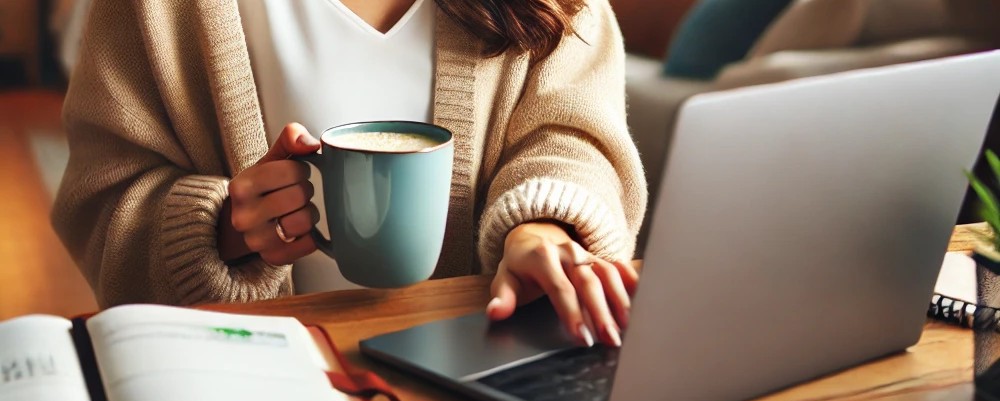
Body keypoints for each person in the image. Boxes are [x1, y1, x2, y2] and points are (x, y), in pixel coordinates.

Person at [51, 0, 647, 347]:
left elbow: (571, 134)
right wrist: (220, 230)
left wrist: (541, 225)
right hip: (257, 394)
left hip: (484, 383)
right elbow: (103, 194)